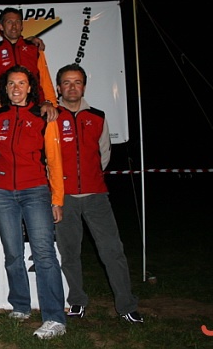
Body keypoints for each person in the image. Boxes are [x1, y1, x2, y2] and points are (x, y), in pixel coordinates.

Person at [54, 63, 143, 324]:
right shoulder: (51, 117)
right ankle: (77, 301)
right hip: (64, 198)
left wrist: (90, 178)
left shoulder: (98, 117)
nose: (72, 87)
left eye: (77, 82)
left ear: (84, 86)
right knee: (69, 253)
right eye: (67, 82)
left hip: (96, 197)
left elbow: (104, 154)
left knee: (113, 251)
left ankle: (126, 305)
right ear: (58, 87)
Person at [0, 65, 67, 339]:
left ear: (30, 87)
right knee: (13, 254)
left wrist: (57, 198)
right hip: (1, 192)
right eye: (11, 83)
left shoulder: (43, 115)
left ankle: (55, 318)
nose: (16, 88)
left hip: (35, 191)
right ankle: (21, 305)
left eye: (21, 83)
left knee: (44, 254)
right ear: (5, 88)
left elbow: (54, 159)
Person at [0, 7, 58, 122]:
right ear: (1, 26)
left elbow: (45, 79)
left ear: (22, 26)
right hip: (7, 109)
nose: (14, 26)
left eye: (17, 22)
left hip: (35, 109)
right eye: (9, 22)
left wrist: (51, 103)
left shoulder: (33, 49)